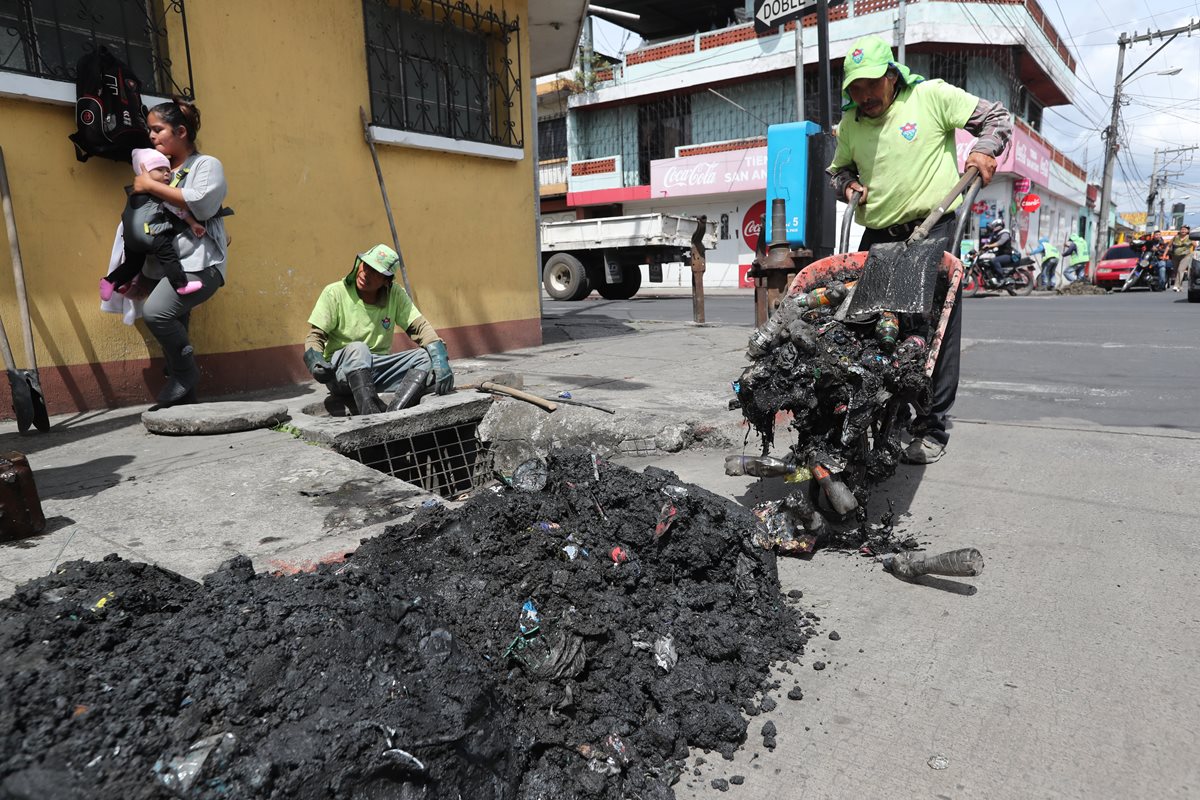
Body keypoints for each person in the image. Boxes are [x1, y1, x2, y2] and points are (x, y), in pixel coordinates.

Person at [827, 35, 1012, 464]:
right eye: (855, 88)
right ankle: (886, 414)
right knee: (870, 328)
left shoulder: (932, 96)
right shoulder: (852, 124)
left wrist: (983, 150)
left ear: (892, 76)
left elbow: (997, 118)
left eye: (872, 85)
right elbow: (839, 171)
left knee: (930, 328)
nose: (864, 96)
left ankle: (931, 425)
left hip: (934, 227)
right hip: (878, 235)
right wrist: (848, 185)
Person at [129, 98, 229, 407]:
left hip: (202, 264)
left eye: (158, 129)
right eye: (150, 130)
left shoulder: (205, 165)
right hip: (168, 267)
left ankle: (186, 375)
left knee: (157, 313)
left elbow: (200, 202)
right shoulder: (160, 169)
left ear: (181, 131)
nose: (151, 136)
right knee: (177, 327)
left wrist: (148, 184)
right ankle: (186, 404)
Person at [304, 244, 454, 414]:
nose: (366, 274)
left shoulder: (395, 294)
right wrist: (315, 361)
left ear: (386, 281)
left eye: (375, 272)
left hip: (376, 371)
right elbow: (315, 336)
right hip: (341, 374)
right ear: (358, 263)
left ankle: (394, 413)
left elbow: (420, 328)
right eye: (365, 265)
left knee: (426, 356)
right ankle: (371, 416)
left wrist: (440, 358)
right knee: (359, 349)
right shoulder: (334, 292)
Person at [100, 148, 204, 301]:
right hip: (150, 234)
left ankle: (109, 282)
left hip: (130, 239)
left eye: (168, 170)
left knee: (132, 265)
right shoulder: (158, 191)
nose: (166, 173)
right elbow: (178, 210)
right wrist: (194, 224)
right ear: (144, 174)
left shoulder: (133, 193)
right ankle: (181, 285)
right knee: (169, 257)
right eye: (160, 169)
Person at [979, 218, 1017, 285]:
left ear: (998, 226)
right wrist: (982, 250)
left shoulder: (1005, 233)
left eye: (994, 226)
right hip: (1001, 254)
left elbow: (1000, 243)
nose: (993, 228)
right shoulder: (996, 234)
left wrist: (989, 246)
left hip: (1008, 255)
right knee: (987, 261)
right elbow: (989, 243)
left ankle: (1001, 278)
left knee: (994, 260)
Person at [1169, 225, 1193, 292]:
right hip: (1175, 256)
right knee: (1176, 271)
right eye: (1182, 229)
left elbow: (1195, 246)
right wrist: (1165, 254)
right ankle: (1180, 286)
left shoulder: (1190, 237)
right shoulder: (1176, 237)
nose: (1183, 230)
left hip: (1186, 256)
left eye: (1185, 229)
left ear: (1188, 231)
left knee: (1180, 270)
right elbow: (1169, 246)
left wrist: (1192, 254)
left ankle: (1176, 286)